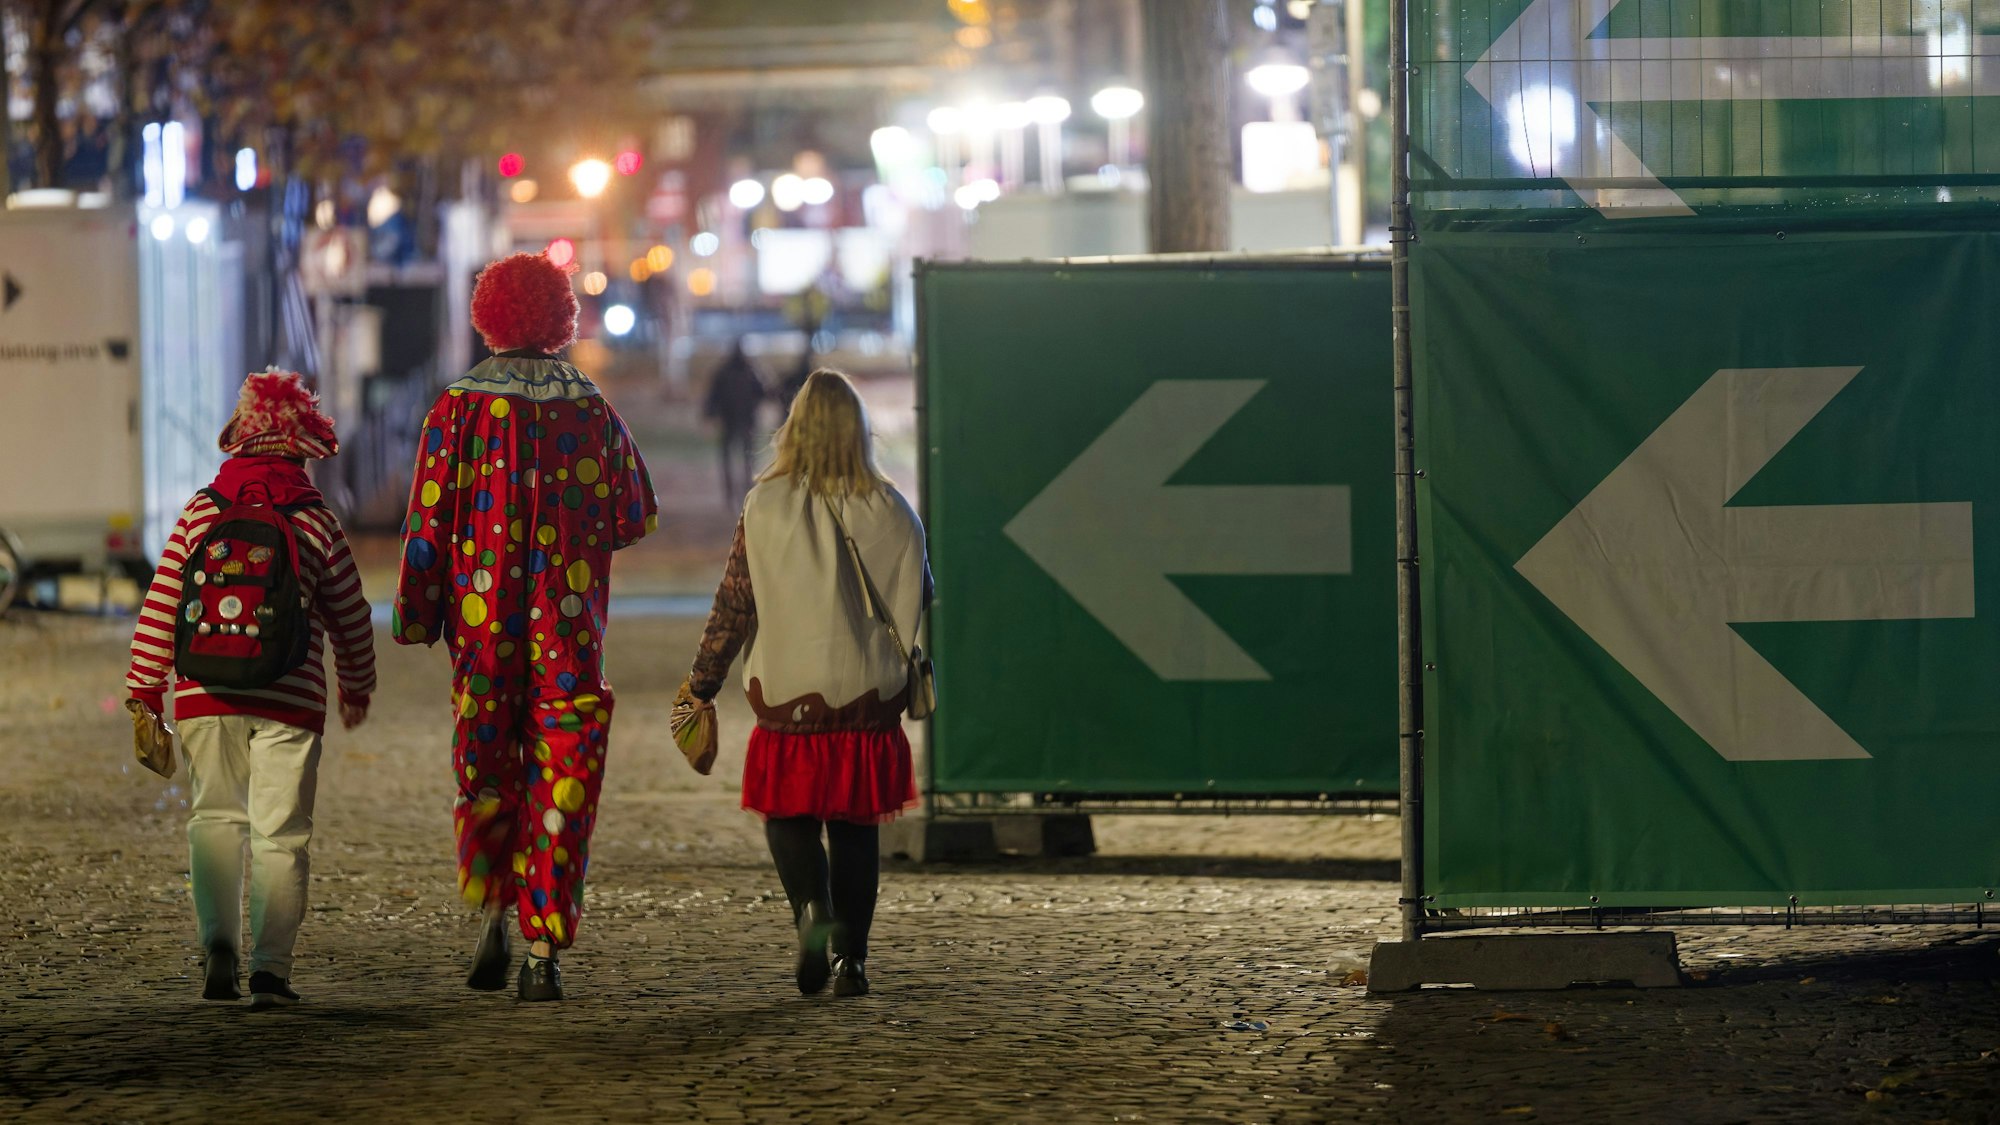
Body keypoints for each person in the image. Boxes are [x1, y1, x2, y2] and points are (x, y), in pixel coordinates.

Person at [393, 251, 658, 1003]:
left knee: (485, 764)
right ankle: (544, 943)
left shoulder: (457, 410)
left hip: (483, 630)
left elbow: (427, 522)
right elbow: (633, 512)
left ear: (489, 313)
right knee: (564, 771)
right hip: (569, 627)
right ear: (558, 316)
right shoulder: (590, 406)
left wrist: (417, 612)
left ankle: (493, 901)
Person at [126, 370, 375, 1009]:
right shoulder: (315, 518)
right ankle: (270, 972)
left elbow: (161, 604)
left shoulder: (203, 509)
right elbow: (350, 614)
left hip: (205, 693)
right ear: (303, 444)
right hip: (291, 697)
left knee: (212, 816)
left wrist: (146, 689)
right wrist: (356, 685)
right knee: (281, 833)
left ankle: (218, 950)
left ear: (242, 435)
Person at [684, 369, 930, 998]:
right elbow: (921, 596)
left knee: (787, 817)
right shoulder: (893, 508)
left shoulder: (764, 505)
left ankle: (810, 913)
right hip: (868, 696)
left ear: (793, 429)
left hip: (788, 692)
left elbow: (734, 603)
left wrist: (702, 682)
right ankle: (852, 960)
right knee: (855, 829)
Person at [704, 339, 766, 504]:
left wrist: (710, 412)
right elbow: (763, 391)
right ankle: (735, 490)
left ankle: (737, 490)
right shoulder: (748, 371)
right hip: (737, 419)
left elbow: (713, 395)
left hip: (738, 420)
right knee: (742, 457)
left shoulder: (737, 371)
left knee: (741, 457)